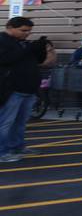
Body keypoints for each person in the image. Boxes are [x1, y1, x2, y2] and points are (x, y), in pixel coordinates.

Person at [0, 17, 44, 163]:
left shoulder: (23, 43)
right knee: (5, 122)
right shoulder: (2, 40)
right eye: (23, 30)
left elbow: (38, 61)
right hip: (11, 89)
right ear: (10, 27)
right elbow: (6, 59)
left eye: (29, 31)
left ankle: (16, 146)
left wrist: (40, 49)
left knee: (20, 122)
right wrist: (28, 49)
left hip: (28, 89)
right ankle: (2, 152)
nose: (27, 34)